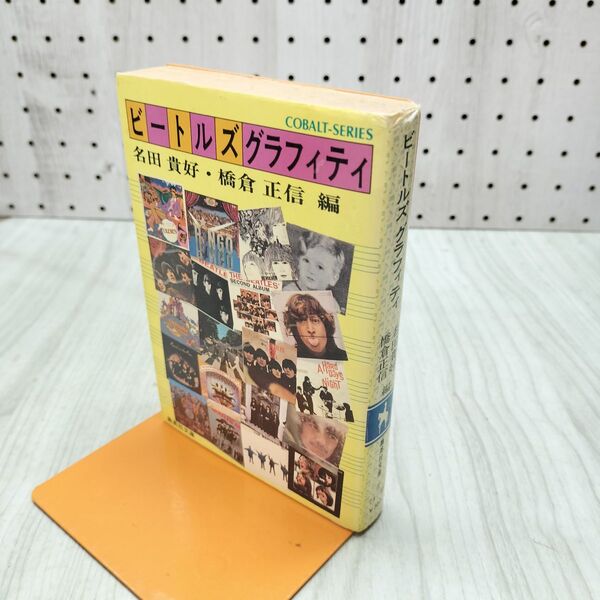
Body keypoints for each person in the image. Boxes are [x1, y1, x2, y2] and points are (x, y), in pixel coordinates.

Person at [283, 229, 346, 311]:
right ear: (298, 262)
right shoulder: (287, 293)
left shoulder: (331, 304)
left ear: (333, 278)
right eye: (306, 261)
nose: (311, 270)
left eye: (320, 267)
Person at [283, 293, 347, 360]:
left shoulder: (343, 356)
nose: (311, 330)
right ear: (296, 330)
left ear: (325, 325)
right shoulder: (291, 358)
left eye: (315, 320)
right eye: (302, 321)